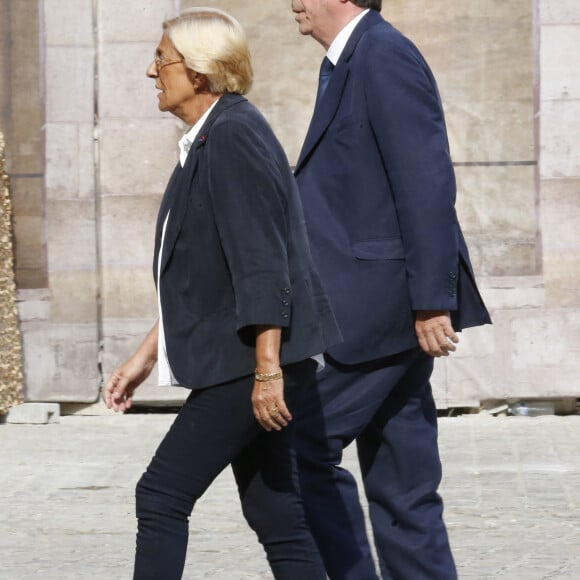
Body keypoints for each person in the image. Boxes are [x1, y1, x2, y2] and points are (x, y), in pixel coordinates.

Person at [103, 8, 341, 580]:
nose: (150, 72)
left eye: (162, 60)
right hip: (246, 361)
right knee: (276, 513)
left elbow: (262, 265)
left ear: (201, 72)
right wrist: (145, 356)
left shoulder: (233, 136)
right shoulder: (212, 135)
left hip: (247, 367)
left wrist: (266, 371)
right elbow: (207, 278)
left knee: (160, 495)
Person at [290, 1, 492, 579]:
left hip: (382, 309)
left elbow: (426, 181)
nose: (293, 2)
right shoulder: (354, 56)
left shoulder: (383, 54)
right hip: (379, 305)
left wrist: (432, 299)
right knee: (404, 485)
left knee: (300, 447)